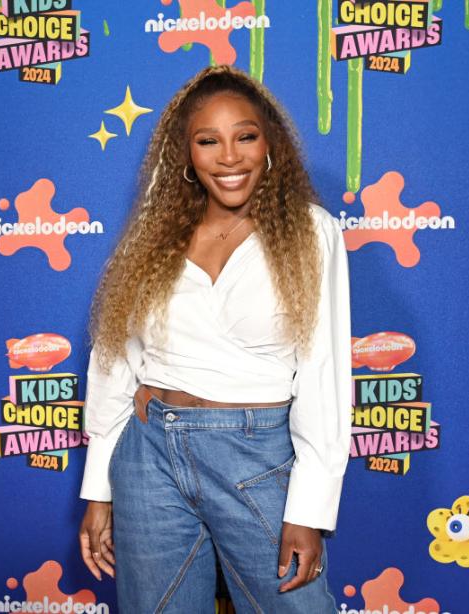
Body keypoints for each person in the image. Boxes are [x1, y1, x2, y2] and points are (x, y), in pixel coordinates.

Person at [77, 64, 351, 613]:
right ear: (186, 153)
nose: (229, 157)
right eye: (208, 141)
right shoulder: (153, 236)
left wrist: (310, 510)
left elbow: (323, 371)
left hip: (256, 458)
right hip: (149, 455)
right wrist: (99, 489)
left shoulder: (309, 231)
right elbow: (115, 362)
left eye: (245, 137)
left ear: (270, 145)